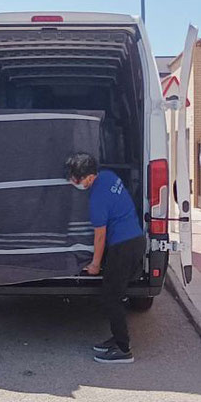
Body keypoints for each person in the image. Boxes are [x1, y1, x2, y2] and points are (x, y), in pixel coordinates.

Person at [65, 152, 145, 364]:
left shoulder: (96, 199)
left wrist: (95, 264)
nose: (74, 182)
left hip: (123, 248)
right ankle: (116, 339)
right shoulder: (109, 176)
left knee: (111, 297)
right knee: (113, 294)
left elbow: (100, 237)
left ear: (90, 177)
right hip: (135, 240)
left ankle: (123, 349)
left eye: (77, 179)